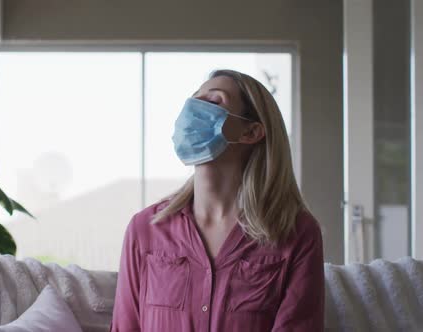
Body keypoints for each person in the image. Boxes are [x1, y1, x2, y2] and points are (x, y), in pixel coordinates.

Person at [110, 69, 324, 332]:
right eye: (192, 101)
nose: (192, 111)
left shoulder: (297, 232)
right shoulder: (144, 228)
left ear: (251, 132)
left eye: (212, 102)